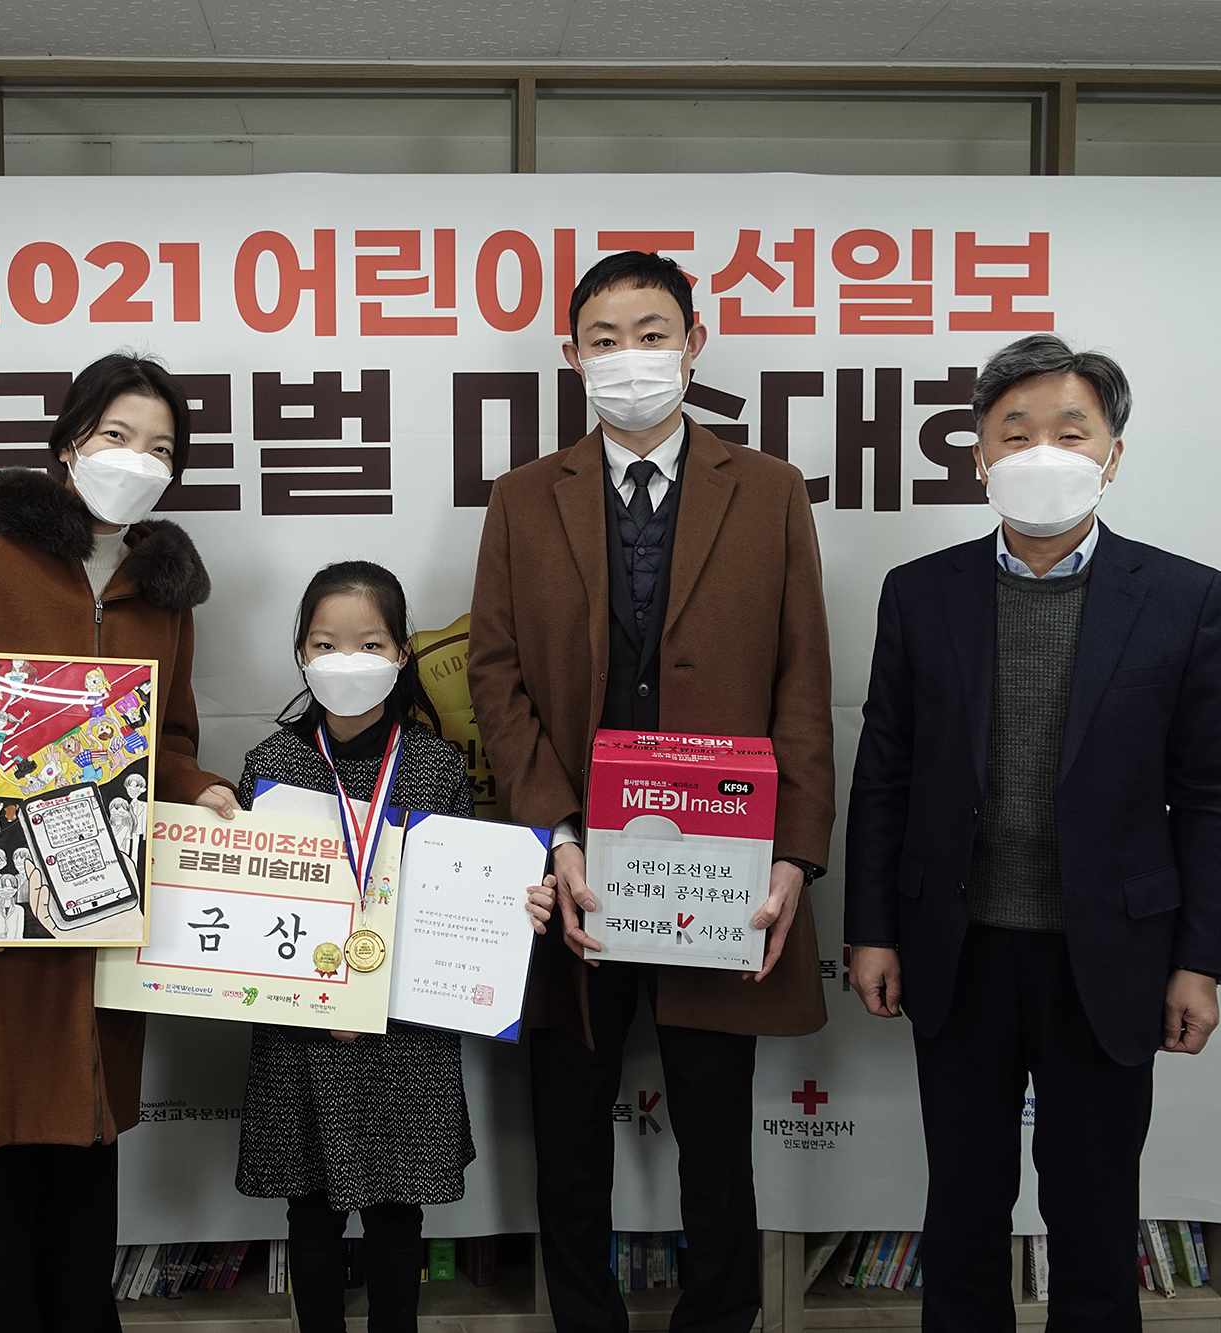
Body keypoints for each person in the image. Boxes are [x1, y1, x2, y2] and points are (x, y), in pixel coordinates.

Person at [844, 334, 1221, 1333]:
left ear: (1112, 454)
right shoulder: (919, 591)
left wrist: (1199, 961)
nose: (1042, 453)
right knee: (963, 1210)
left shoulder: (1184, 596)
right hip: (960, 948)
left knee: (1095, 1217)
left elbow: (1210, 795)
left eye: (1071, 432)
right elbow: (884, 775)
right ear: (979, 454)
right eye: (1014, 432)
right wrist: (871, 930)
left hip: (1107, 956)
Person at [468, 250, 835, 1333]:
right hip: (575, 865)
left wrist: (791, 853)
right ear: (571, 356)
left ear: (693, 343)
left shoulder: (767, 491)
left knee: (716, 1131)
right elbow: (495, 675)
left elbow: (802, 680)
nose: (630, 357)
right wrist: (554, 829)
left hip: (721, 866)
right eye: (605, 339)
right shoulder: (523, 498)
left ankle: (719, 1319)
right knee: (569, 1123)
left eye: (652, 334)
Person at [0, 351, 240, 1333]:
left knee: (80, 1213)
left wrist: (199, 788)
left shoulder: (163, 594)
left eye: (161, 448)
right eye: (117, 435)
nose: (137, 459)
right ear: (69, 444)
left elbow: (168, 742)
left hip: (98, 942)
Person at [235, 561, 555, 1333]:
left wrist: (516, 906)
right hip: (302, 1029)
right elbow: (247, 915)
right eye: (325, 643)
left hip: (404, 1030)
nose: (346, 660)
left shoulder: (435, 764)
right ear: (300, 652)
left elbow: (465, 898)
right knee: (310, 1208)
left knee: (396, 1212)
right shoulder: (270, 766)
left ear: (402, 652)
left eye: (369, 642)